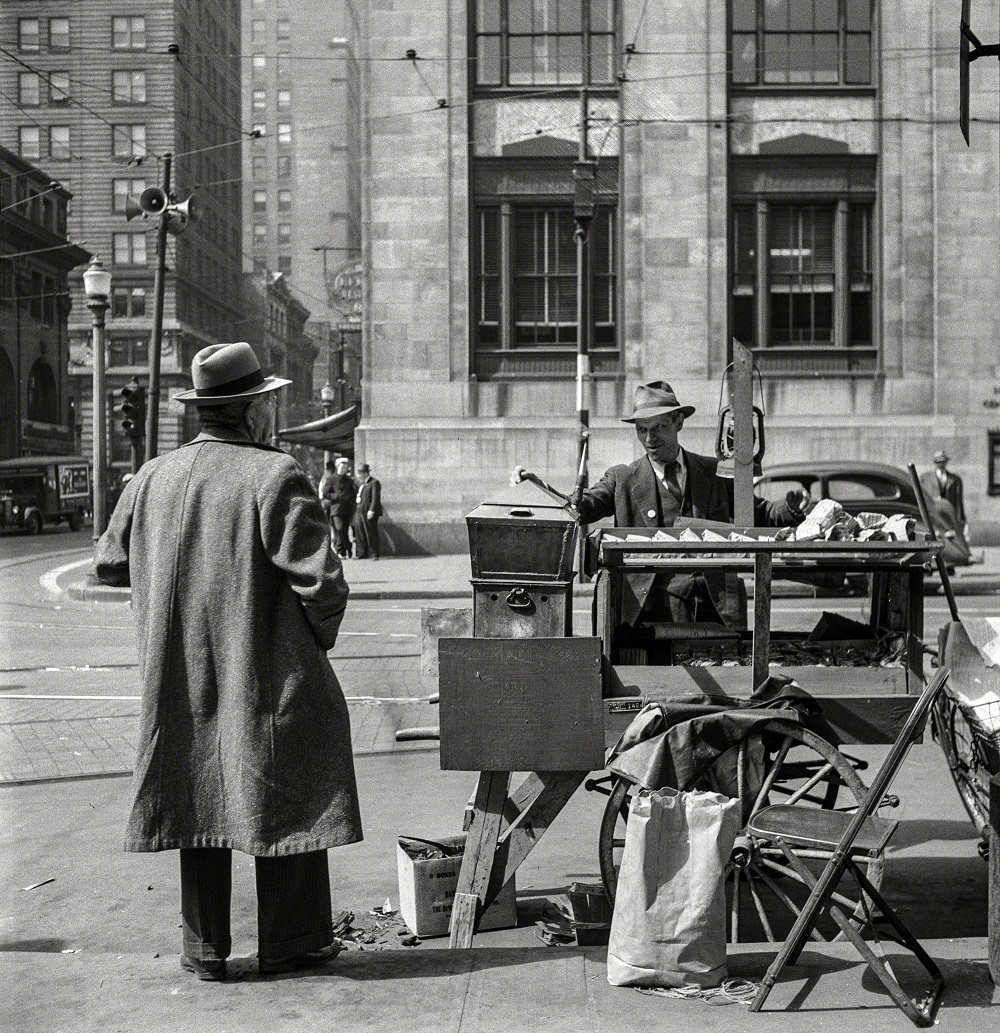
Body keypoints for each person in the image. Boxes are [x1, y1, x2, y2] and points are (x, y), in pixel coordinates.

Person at [95, 341, 362, 982]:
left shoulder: (153, 477)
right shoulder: (275, 476)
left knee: (197, 799)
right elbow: (323, 583)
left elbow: (109, 561)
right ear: (252, 410)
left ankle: (204, 949)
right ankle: (292, 941)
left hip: (179, 677)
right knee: (285, 785)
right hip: (261, 672)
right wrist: (312, 640)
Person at [514, 381, 807, 629]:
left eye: (659, 427)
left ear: (679, 422)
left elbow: (758, 513)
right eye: (642, 430)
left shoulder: (714, 472)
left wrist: (792, 509)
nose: (650, 439)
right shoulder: (623, 478)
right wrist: (539, 488)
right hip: (647, 609)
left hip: (715, 606)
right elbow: (584, 505)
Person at [922, 449, 969, 541]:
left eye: (943, 462)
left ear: (946, 462)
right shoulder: (925, 478)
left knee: (951, 538)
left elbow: (959, 502)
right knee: (936, 536)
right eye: (938, 462)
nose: (941, 464)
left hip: (949, 514)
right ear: (935, 462)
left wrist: (961, 519)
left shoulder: (955, 479)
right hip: (933, 513)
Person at [327, 457, 357, 558]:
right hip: (336, 509)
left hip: (347, 509)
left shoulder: (349, 480)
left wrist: (350, 498)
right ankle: (347, 547)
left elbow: (353, 493)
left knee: (344, 530)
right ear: (337, 467)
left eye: (345, 468)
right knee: (339, 529)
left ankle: (343, 552)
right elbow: (325, 492)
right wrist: (335, 496)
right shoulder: (331, 479)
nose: (343, 470)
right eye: (342, 467)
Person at [353, 462, 382, 560]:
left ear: (365, 473)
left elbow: (375, 498)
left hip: (368, 511)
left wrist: (372, 510)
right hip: (360, 510)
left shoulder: (374, 482)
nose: (358, 475)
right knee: (360, 532)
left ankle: (374, 554)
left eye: (359, 473)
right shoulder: (362, 483)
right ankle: (361, 553)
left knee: (371, 532)